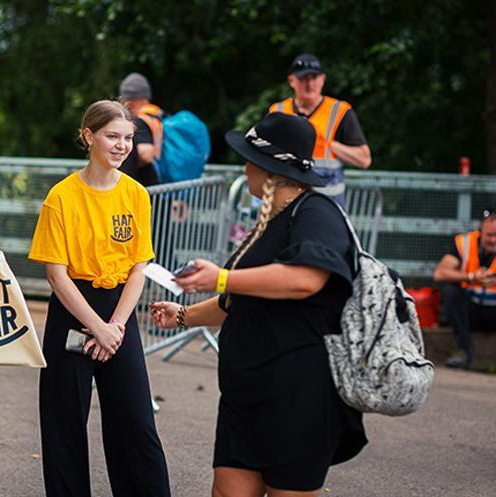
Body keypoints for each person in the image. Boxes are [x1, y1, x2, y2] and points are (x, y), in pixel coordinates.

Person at [150, 112, 367, 497]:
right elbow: (238, 301)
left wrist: (221, 277)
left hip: (297, 394)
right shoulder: (268, 221)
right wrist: (182, 315)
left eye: (249, 158)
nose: (244, 167)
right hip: (245, 393)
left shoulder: (317, 214)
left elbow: (304, 279)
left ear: (270, 170)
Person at [28, 99, 171, 497]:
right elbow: (56, 274)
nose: (123, 145)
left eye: (128, 138)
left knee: (136, 423)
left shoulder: (136, 195)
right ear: (89, 136)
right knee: (64, 424)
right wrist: (96, 328)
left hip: (118, 314)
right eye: (113, 136)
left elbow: (139, 267)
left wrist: (116, 328)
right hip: (74, 310)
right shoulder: (62, 197)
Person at [269, 53, 371, 207]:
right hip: (286, 203)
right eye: (303, 79)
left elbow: (364, 160)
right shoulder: (279, 111)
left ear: (322, 79)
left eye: (314, 78)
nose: (310, 84)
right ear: (292, 81)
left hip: (328, 207)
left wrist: (327, 143)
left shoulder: (340, 111)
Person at [433, 209, 496, 369]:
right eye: (489, 235)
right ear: (481, 231)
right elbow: (440, 273)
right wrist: (470, 277)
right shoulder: (464, 243)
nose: (493, 240)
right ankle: (465, 352)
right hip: (472, 310)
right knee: (450, 291)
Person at [118, 72, 162, 186]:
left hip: (144, 186)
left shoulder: (141, 121)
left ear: (129, 101)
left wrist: (126, 161)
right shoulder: (159, 115)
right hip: (159, 183)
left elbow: (146, 155)